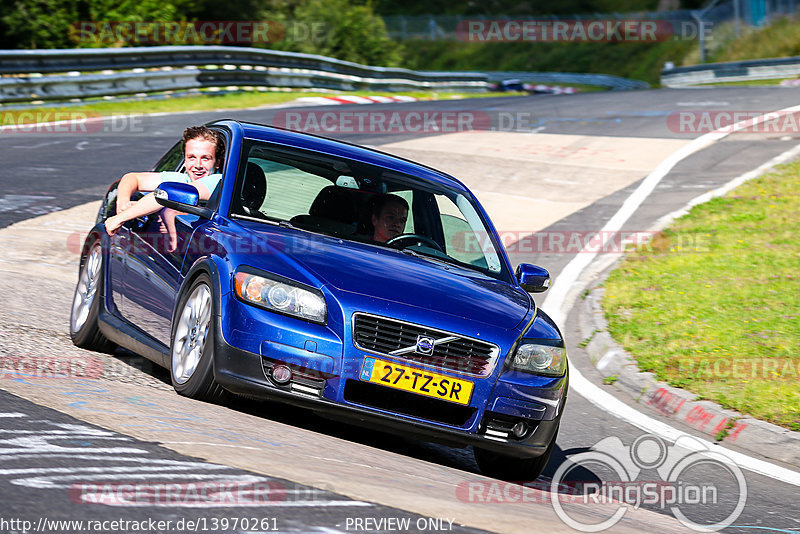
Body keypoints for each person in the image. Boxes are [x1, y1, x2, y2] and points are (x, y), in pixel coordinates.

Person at [104, 126, 224, 250]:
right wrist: (122, 203)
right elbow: (132, 178)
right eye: (191, 157)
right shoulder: (183, 179)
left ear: (218, 163)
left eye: (205, 158)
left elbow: (167, 193)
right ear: (184, 160)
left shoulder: (216, 181)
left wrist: (119, 219)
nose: (198, 165)